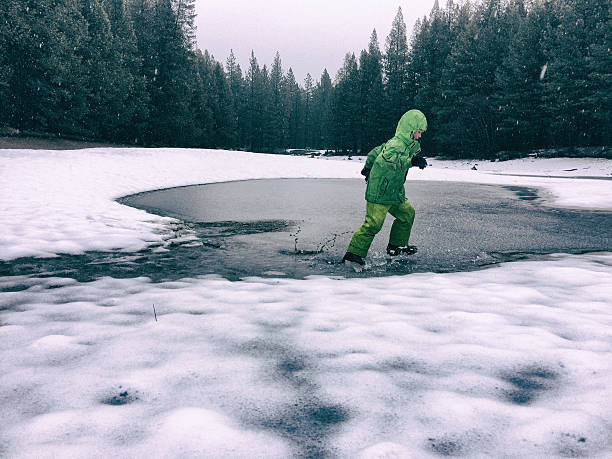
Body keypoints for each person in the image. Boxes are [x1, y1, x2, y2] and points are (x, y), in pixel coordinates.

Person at [342, 109, 428, 266]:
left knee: (407, 214)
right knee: (373, 223)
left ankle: (396, 246)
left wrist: (368, 168)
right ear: (410, 129)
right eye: (418, 132)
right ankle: (353, 254)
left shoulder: (403, 144)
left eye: (421, 132)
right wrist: (412, 161)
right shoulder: (396, 144)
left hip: (394, 191)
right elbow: (391, 160)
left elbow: (375, 153)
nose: (420, 136)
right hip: (381, 191)